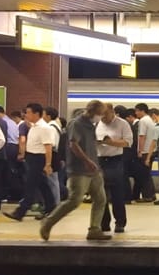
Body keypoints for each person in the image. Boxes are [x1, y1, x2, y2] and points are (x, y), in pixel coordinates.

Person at [39, 100, 111, 241]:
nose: (101, 117)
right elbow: (73, 144)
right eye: (99, 114)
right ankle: (48, 222)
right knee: (75, 200)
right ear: (92, 112)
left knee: (101, 199)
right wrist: (87, 161)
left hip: (94, 169)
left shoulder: (91, 125)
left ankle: (94, 229)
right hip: (79, 169)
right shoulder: (76, 123)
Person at [4, 103, 55, 222]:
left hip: (39, 158)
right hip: (32, 158)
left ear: (36, 114)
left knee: (30, 186)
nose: (25, 115)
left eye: (28, 113)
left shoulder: (44, 128)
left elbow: (48, 147)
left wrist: (48, 164)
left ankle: (20, 212)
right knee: (43, 185)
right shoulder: (34, 126)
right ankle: (51, 207)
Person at [96, 103, 133, 233]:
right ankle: (103, 222)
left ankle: (120, 222)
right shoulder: (96, 123)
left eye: (105, 115)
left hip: (115, 160)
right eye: (101, 115)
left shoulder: (122, 124)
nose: (103, 118)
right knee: (100, 194)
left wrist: (111, 142)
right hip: (99, 160)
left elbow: (128, 142)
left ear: (112, 112)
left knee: (117, 193)